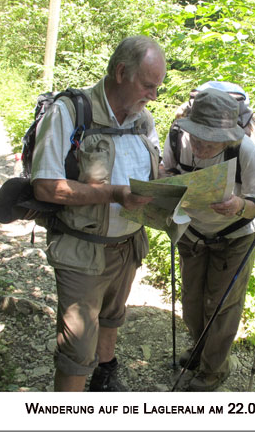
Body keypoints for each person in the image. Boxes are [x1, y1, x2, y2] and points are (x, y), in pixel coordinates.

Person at [30, 36, 166, 392]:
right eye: (148, 85)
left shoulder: (143, 120)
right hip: (82, 250)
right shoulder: (70, 112)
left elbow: (154, 172)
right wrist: (114, 194)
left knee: (111, 318)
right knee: (77, 348)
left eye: (157, 87)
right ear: (121, 73)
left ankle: (105, 378)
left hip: (128, 245)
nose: (154, 96)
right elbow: (45, 187)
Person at [162, 88, 255, 391]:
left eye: (210, 143)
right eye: (197, 138)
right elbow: (166, 171)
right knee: (192, 302)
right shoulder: (177, 138)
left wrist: (237, 206)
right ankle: (199, 352)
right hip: (191, 233)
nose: (201, 148)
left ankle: (214, 369)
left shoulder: (244, 150)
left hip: (234, 237)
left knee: (222, 306)